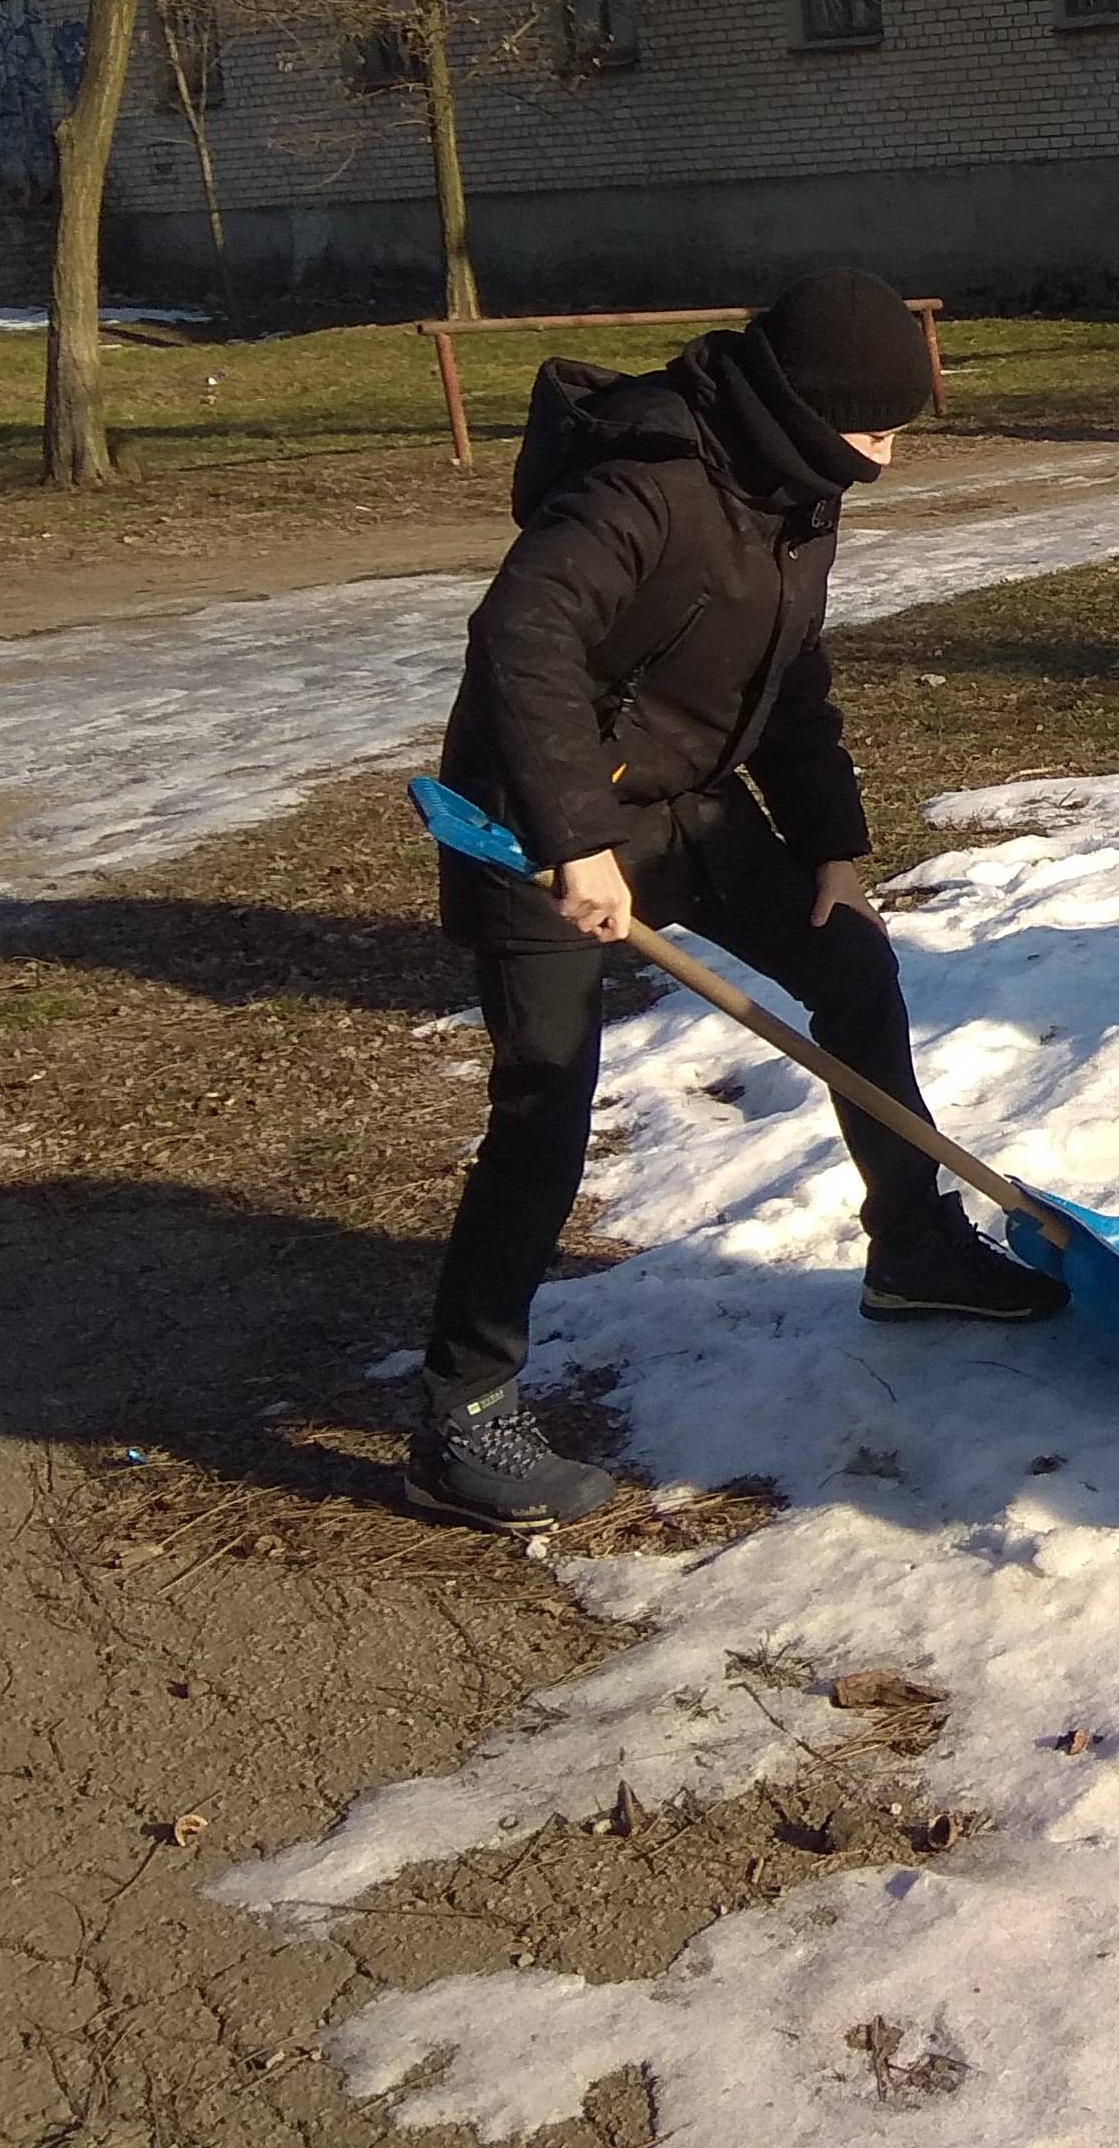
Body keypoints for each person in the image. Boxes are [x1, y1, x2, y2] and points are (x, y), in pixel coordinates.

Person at [406, 266, 1061, 1532]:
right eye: (872, 432)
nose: (884, 458)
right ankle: (460, 1411)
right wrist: (573, 840)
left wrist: (831, 846)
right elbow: (518, 637)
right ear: (803, 412)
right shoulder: (644, 477)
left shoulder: (790, 490)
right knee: (547, 1103)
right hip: (536, 821)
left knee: (850, 966)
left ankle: (914, 1252)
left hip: (686, 804)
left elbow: (787, 669)